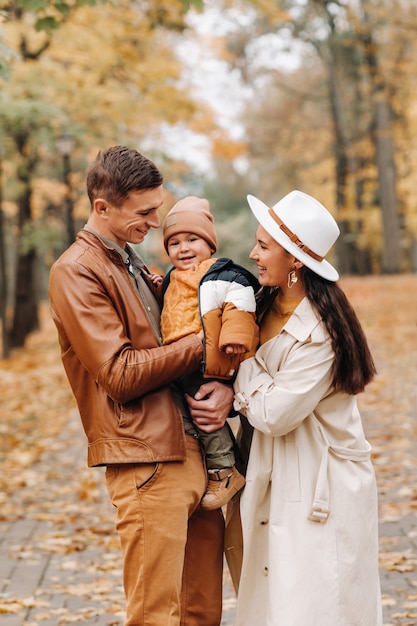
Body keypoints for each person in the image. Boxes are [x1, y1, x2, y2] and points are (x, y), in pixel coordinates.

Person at [48, 146, 234, 626]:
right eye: (145, 212)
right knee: (155, 615)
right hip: (148, 462)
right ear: (102, 207)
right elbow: (120, 373)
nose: (156, 222)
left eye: (158, 208)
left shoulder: (132, 263)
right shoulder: (76, 270)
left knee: (201, 613)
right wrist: (204, 342)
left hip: (197, 452)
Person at [227, 190, 383, 625]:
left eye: (264, 246)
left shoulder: (321, 332)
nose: (253, 253)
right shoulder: (259, 304)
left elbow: (274, 414)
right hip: (274, 472)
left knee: (315, 604)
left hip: (321, 483)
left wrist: (243, 361)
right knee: (272, 600)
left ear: (295, 259)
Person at [160, 196, 259, 510]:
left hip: (206, 357)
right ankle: (231, 463)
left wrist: (235, 335)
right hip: (178, 358)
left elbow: (240, 303)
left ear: (210, 245)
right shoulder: (170, 279)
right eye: (174, 243)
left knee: (204, 412)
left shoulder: (220, 275)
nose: (183, 248)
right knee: (193, 412)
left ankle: (224, 470)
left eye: (192, 239)